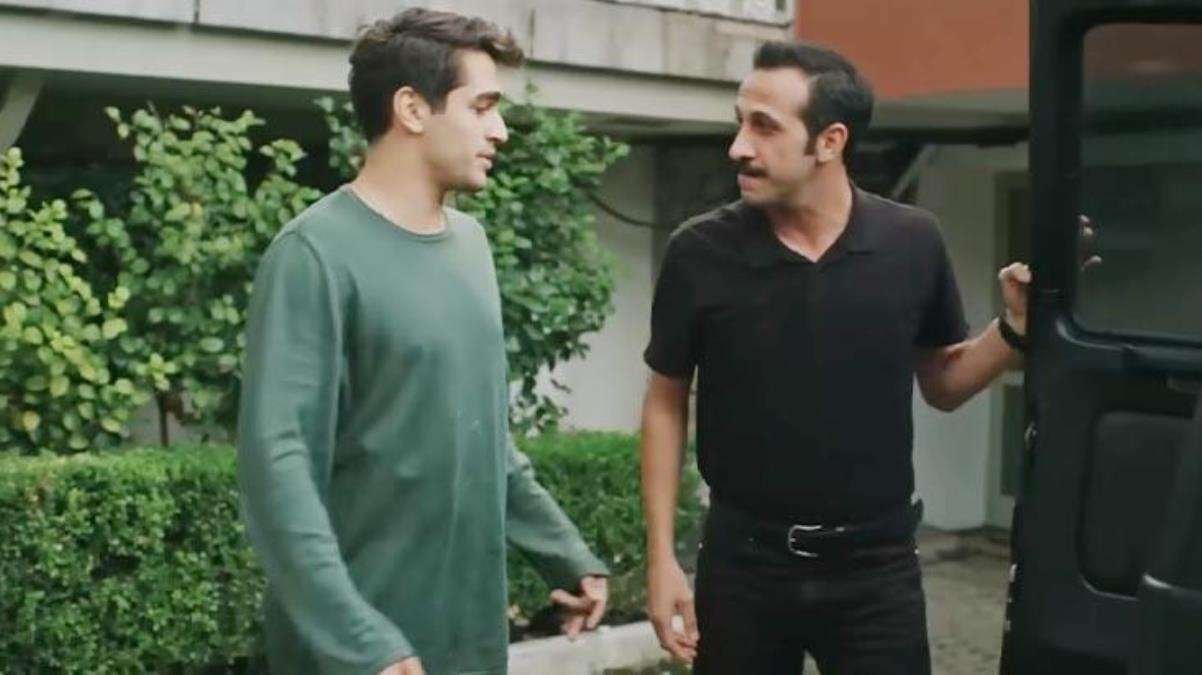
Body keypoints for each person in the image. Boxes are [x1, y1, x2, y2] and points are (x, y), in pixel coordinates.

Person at [639, 40, 1031, 675]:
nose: (738, 146)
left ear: (830, 141)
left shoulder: (912, 242)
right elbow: (664, 401)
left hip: (876, 571)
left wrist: (1014, 330)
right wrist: (661, 559)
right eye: (740, 122)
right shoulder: (700, 252)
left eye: (764, 127)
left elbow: (943, 382)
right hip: (743, 567)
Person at [236, 9, 609, 675]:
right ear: (411, 108)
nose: (500, 129)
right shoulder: (313, 255)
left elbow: (481, 435)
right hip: (359, 655)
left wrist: (565, 554)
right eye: (482, 106)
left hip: (468, 645)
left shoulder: (471, 246)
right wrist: (359, 639)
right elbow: (278, 470)